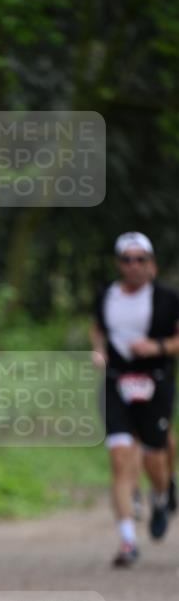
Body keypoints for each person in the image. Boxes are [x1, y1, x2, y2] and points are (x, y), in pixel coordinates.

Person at [90, 232, 179, 567]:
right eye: (127, 260)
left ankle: (162, 495)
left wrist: (157, 347)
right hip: (116, 382)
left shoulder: (167, 298)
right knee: (120, 456)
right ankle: (128, 541)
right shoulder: (107, 296)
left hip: (155, 380)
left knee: (154, 458)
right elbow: (97, 328)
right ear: (119, 263)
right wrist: (98, 351)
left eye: (140, 259)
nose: (134, 265)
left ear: (151, 263)